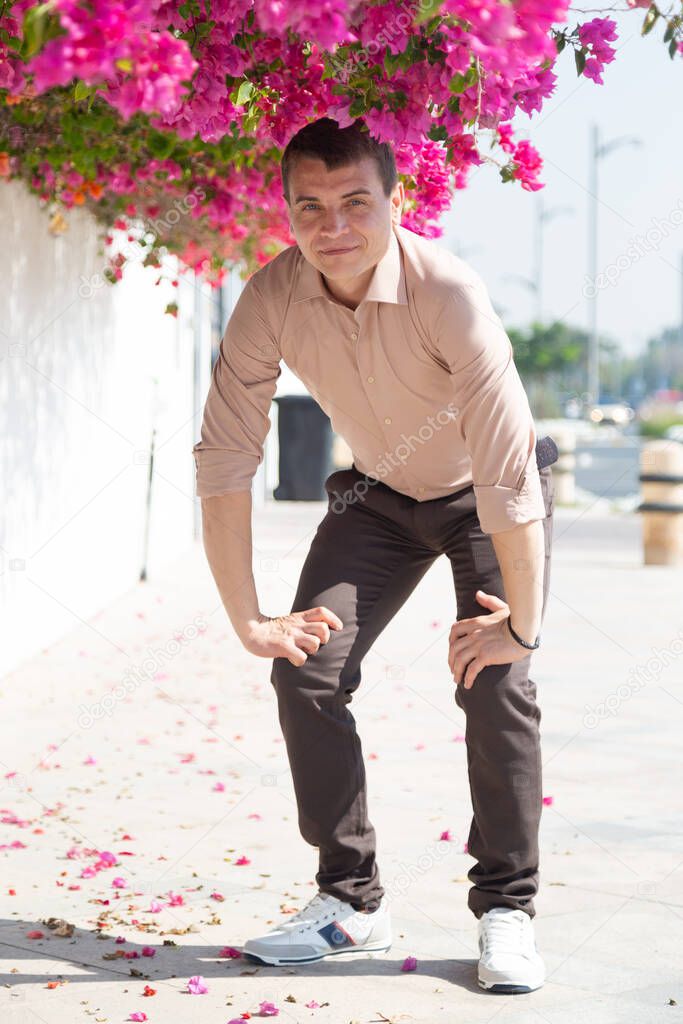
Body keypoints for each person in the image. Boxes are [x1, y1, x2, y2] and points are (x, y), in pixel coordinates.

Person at [192, 116, 556, 994]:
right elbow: (225, 457)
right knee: (304, 670)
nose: (334, 226)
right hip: (377, 499)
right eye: (309, 207)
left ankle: (505, 908)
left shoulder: (451, 295)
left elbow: (510, 476)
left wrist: (525, 629)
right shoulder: (271, 295)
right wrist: (249, 617)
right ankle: (349, 901)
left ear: (395, 201)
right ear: (285, 212)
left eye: (356, 201)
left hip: (481, 501)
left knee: (496, 676)